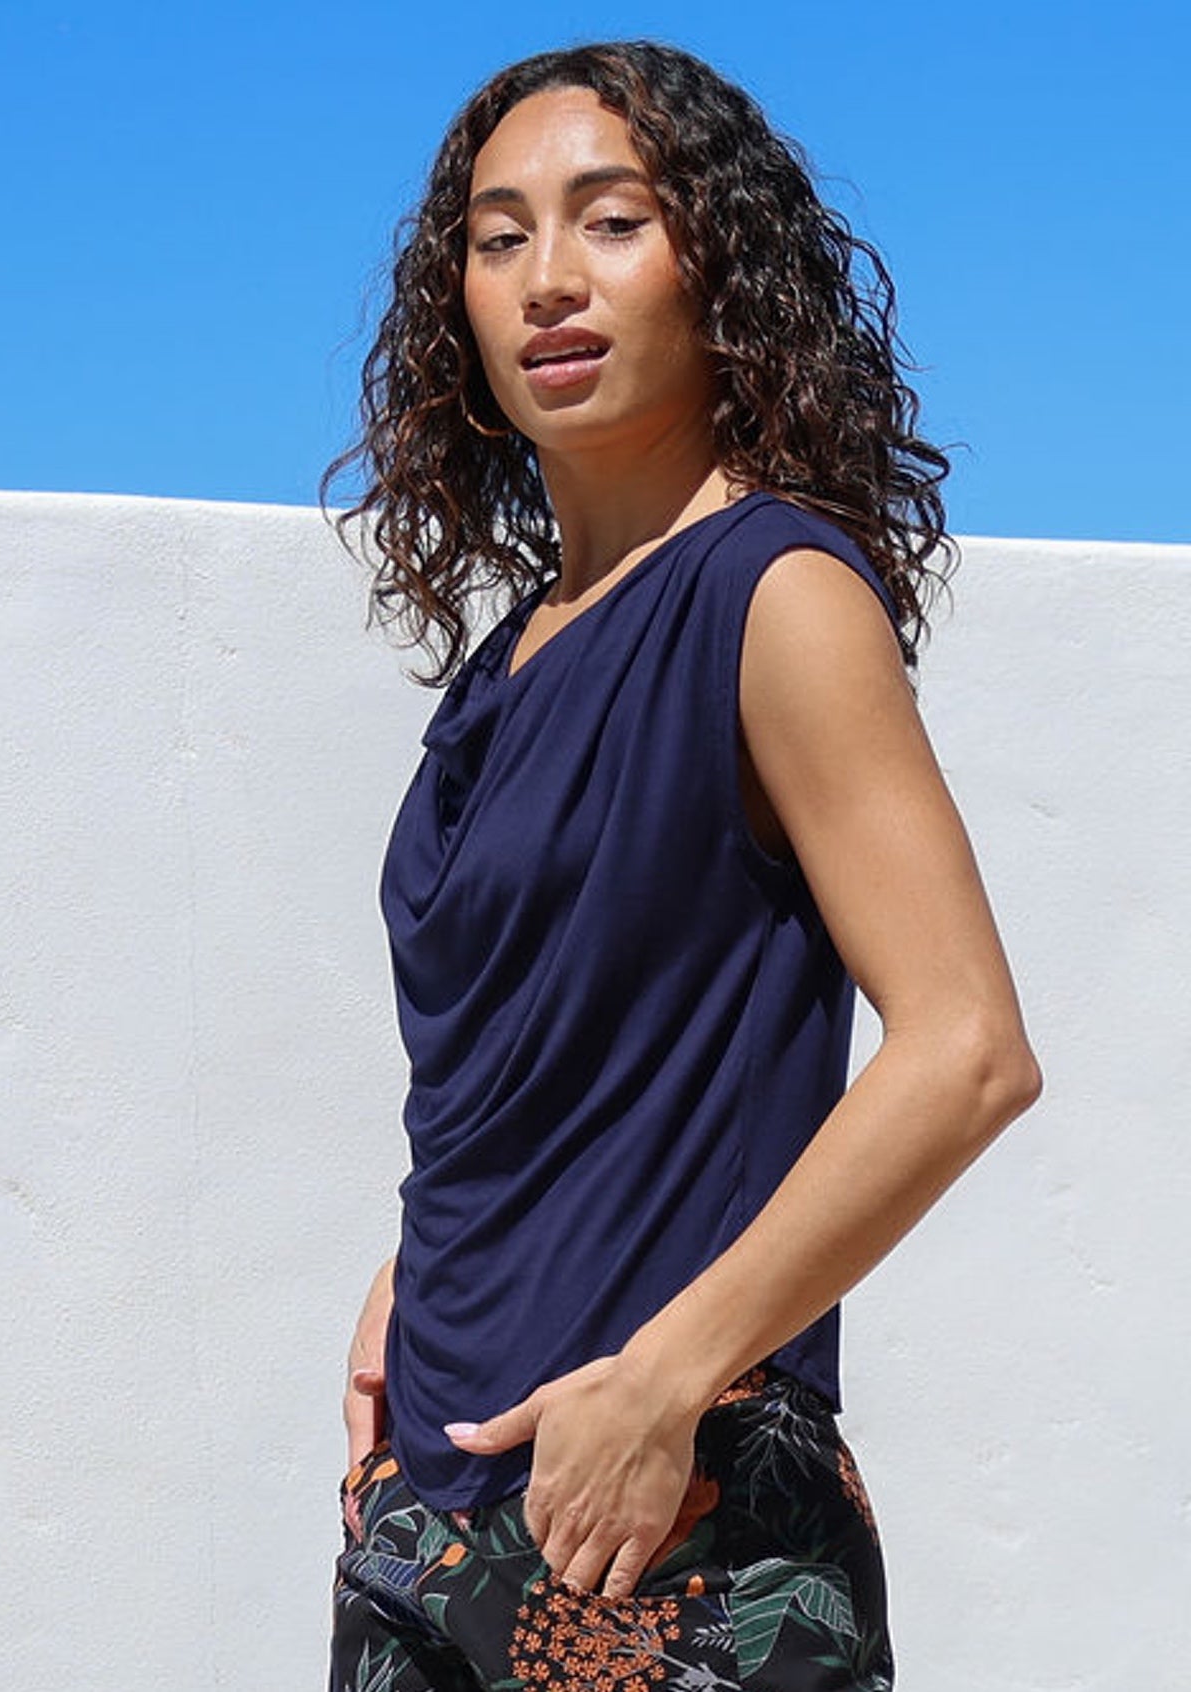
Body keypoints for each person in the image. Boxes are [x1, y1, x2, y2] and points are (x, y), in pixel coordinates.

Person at [322, 40, 1041, 1692]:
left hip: (673, 1512)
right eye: (498, 239)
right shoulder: (509, 660)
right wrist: (414, 1272)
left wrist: (665, 1377)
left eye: (612, 221)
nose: (549, 282)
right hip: (424, 1515)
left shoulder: (775, 594)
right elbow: (551, 1059)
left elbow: (966, 1051)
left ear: (721, 267)